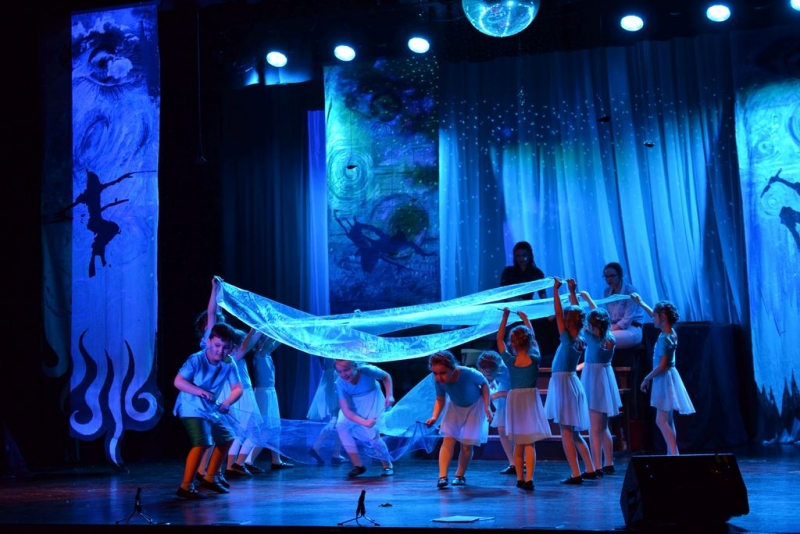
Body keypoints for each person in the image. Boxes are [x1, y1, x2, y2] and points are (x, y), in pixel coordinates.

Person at [174, 322, 243, 499]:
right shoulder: (196, 359)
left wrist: (227, 403)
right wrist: (201, 392)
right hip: (191, 407)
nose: (220, 351)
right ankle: (185, 486)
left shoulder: (229, 363)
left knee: (227, 437)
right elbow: (178, 382)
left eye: (225, 348)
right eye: (217, 345)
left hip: (210, 409)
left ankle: (211, 477)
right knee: (202, 442)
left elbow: (237, 389)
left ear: (231, 348)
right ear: (209, 341)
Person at [544, 277, 595, 485]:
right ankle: (590, 468)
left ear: (569, 322)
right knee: (574, 433)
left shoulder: (568, 338)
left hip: (564, 385)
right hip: (570, 383)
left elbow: (558, 313)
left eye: (565, 319)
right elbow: (575, 312)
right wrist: (572, 291)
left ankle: (576, 473)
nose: (562, 321)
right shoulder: (580, 338)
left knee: (566, 432)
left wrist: (556, 291)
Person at [630, 294, 696, 456]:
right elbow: (655, 316)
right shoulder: (671, 333)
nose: (652, 318)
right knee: (668, 420)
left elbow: (662, 365)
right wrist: (641, 302)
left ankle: (674, 454)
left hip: (664, 379)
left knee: (661, 421)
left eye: (655, 316)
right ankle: (672, 453)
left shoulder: (665, 339)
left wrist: (646, 378)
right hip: (669, 377)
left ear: (663, 317)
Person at [496, 308, 551, 491]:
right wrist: (526, 319)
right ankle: (529, 479)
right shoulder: (535, 359)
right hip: (529, 400)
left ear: (513, 343)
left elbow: (499, 340)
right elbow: (534, 340)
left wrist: (504, 317)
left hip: (516, 401)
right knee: (529, 442)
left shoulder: (510, 361)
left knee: (519, 442)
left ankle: (520, 478)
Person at [425, 350, 492, 488]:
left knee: (467, 444)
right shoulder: (438, 380)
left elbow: (484, 384)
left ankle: (460, 475)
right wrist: (434, 417)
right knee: (448, 439)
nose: (439, 377)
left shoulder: (468, 373)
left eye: (443, 373)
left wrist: (487, 406)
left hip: (474, 407)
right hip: (454, 407)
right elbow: (440, 399)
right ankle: (442, 477)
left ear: (452, 368)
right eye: (435, 373)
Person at [578, 289, 622, 475]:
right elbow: (598, 317)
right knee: (603, 427)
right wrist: (589, 299)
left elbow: (579, 318)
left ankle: (596, 466)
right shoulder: (609, 337)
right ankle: (608, 462)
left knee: (594, 428)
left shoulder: (592, 338)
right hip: (605, 378)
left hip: (594, 380)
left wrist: (575, 296)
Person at [333, 359, 396, 477]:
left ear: (355, 366)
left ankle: (387, 465)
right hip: (353, 404)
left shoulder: (367, 370)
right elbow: (346, 411)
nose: (343, 374)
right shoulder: (340, 383)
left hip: (372, 399)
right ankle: (358, 465)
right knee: (341, 425)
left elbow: (386, 377)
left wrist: (389, 395)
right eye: (340, 371)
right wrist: (364, 422)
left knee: (373, 436)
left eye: (346, 370)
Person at [476, 351, 515, 476]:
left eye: (488, 373)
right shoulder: (492, 371)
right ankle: (513, 463)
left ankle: (521, 460)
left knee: (515, 431)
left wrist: (499, 394)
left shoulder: (508, 370)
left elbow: (519, 389)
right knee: (502, 429)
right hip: (504, 397)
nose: (486, 375)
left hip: (514, 397)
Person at [601, 262, 646, 350]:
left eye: (612, 276)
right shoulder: (607, 292)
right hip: (614, 326)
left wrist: (608, 330)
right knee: (591, 336)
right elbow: (607, 314)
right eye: (606, 277)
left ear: (619, 275)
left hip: (631, 328)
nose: (609, 279)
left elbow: (627, 320)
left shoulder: (630, 291)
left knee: (605, 339)